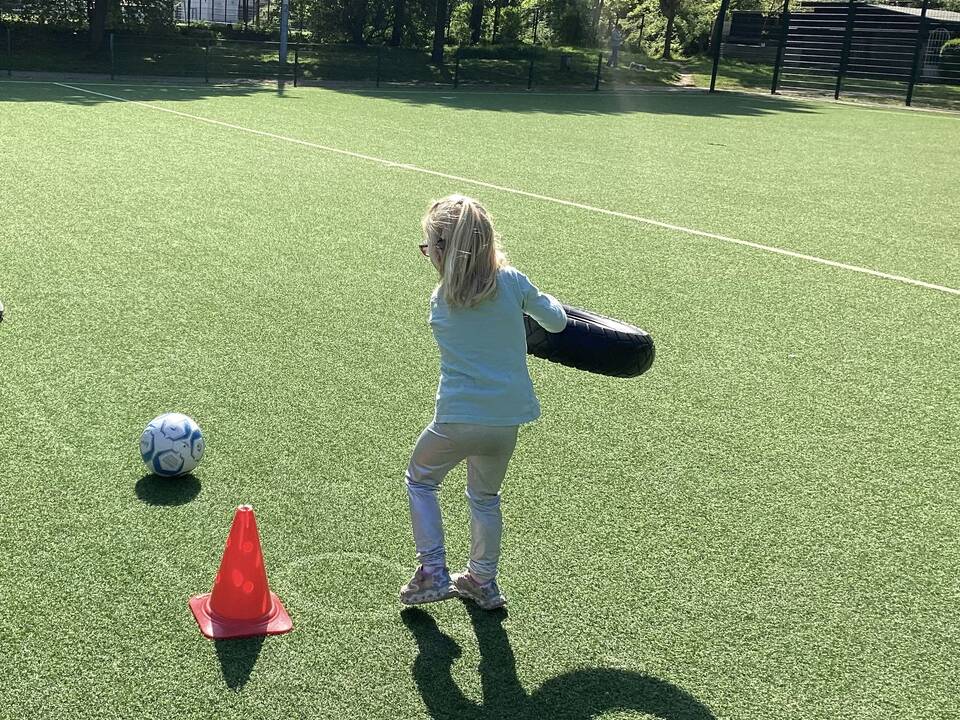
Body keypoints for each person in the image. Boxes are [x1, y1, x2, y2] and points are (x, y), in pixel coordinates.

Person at [399, 195, 567, 610]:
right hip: (504, 422)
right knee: (485, 497)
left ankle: (433, 571)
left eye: (428, 248)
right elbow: (558, 322)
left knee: (420, 480)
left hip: (457, 418)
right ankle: (482, 580)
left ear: (441, 252)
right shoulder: (513, 282)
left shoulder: (441, 302)